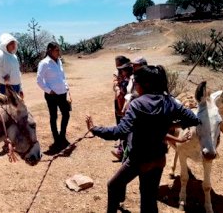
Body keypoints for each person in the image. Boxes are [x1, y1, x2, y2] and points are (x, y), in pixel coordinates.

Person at [85, 65, 201, 213]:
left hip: (139, 160)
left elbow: (120, 131)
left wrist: (94, 129)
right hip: (158, 160)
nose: (135, 88)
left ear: (144, 84)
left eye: (136, 84)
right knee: (149, 201)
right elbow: (193, 119)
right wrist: (169, 123)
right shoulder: (169, 101)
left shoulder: (137, 104)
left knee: (113, 186)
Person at [37, 42, 71, 153]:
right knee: (54, 116)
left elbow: (63, 76)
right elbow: (39, 80)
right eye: (56, 50)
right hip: (52, 95)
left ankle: (62, 136)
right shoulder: (44, 63)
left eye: (59, 50)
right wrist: (49, 91)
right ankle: (56, 139)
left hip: (62, 93)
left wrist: (67, 88)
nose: (58, 52)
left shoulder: (59, 61)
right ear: (50, 50)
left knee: (66, 114)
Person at [0, 33, 23, 98]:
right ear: (5, 44)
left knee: (18, 108)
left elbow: (17, 73)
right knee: (9, 107)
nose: (13, 45)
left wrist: (21, 89)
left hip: (17, 86)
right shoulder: (0, 54)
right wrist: (3, 80)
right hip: (7, 88)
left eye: (14, 43)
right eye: (11, 43)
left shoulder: (14, 56)